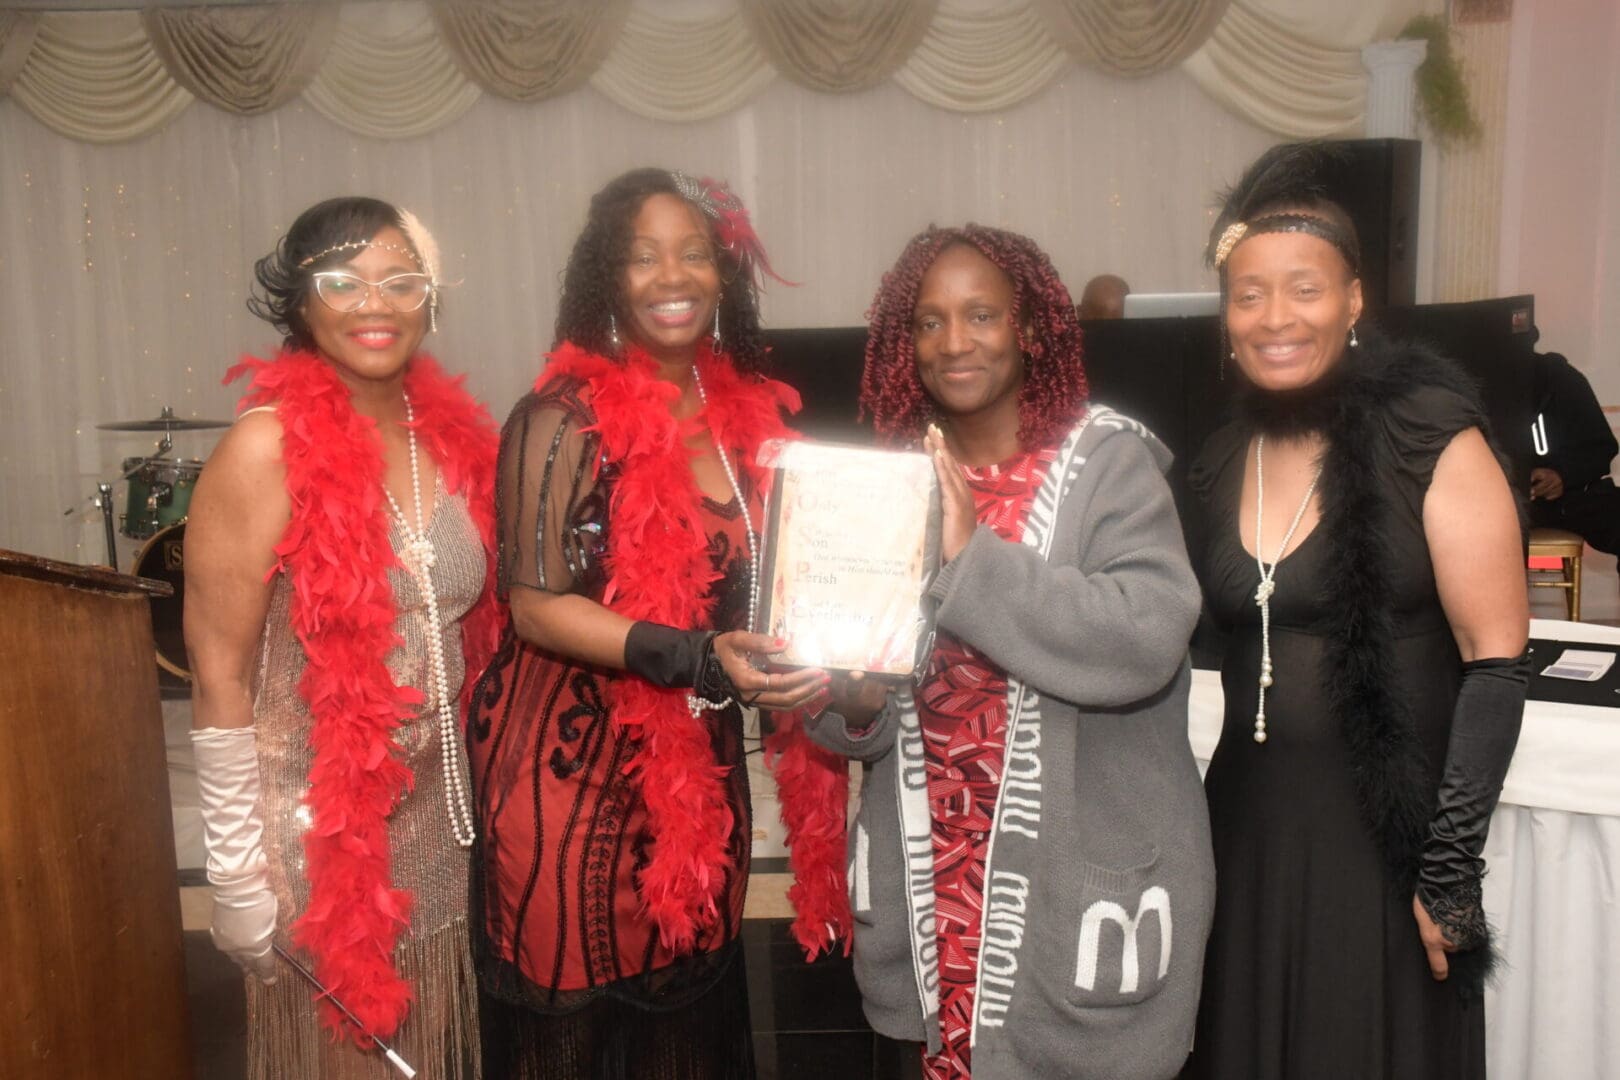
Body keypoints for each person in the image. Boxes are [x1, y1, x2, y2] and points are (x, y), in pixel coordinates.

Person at [466, 168, 851, 1079]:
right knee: (570, 1042)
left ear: (724, 276)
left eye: (692, 254)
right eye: (643, 257)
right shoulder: (559, 420)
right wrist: (693, 657)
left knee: (687, 1040)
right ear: (609, 275)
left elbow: (773, 572)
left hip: (697, 780)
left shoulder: (743, 418)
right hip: (570, 781)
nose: (670, 276)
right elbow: (532, 603)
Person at [809, 224, 1214, 1080]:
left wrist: (970, 556)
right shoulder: (890, 481)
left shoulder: (1108, 465)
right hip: (932, 895)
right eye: (928, 321)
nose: (954, 342)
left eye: (982, 315)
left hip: (1066, 909)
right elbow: (859, 715)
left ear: (1031, 329)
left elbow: (1145, 636)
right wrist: (848, 701)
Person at [1182, 143, 1530, 1080]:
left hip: (1388, 848)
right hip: (1247, 840)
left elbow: (1496, 657)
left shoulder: (1427, 433)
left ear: (1353, 300)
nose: (1274, 318)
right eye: (1247, 295)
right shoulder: (1219, 458)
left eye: (1304, 289)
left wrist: (1450, 870)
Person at [183, 197, 502, 1079]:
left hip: (441, 830)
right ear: (299, 302)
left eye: (401, 281)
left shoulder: (454, 442)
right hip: (320, 855)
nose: (375, 304)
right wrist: (239, 874)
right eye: (343, 282)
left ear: (429, 300)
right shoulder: (262, 450)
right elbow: (217, 677)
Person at [1528, 343, 1620, 555]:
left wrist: (1563, 475)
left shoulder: (1555, 377)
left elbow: (1602, 448)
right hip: (1488, 506)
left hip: (1564, 500)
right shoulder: (1460, 384)